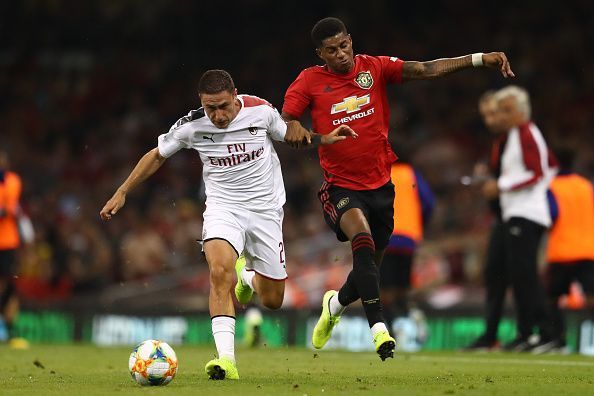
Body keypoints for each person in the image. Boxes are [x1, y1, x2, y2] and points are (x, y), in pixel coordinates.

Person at [281, 16, 514, 360]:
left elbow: (425, 70)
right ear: (320, 53)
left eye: (344, 45)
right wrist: (300, 131)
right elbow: (287, 123)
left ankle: (337, 304)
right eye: (332, 50)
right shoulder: (309, 81)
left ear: (350, 40)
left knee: (368, 270)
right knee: (361, 241)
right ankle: (379, 330)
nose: (341, 54)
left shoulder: (373, 68)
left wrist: (479, 59)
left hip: (381, 187)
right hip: (340, 187)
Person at [100, 69, 355, 380]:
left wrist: (324, 138)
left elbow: (290, 135)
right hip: (224, 208)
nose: (218, 115)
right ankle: (226, 360)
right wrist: (123, 191)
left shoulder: (260, 110)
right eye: (211, 108)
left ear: (235, 96)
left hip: (266, 211)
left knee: (273, 300)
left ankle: (246, 277)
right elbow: (157, 155)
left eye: (223, 106)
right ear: (201, 103)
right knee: (219, 272)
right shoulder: (191, 125)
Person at [481, 85, 557, 352]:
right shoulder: (515, 134)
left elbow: (538, 172)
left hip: (527, 213)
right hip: (517, 213)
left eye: (507, 109)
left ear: (522, 111)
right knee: (520, 276)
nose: (503, 115)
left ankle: (547, 333)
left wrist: (501, 185)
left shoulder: (526, 132)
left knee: (526, 276)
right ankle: (527, 334)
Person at [463, 91, 509, 351]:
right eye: (485, 116)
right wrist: (486, 173)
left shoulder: (516, 137)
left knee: (519, 277)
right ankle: (491, 335)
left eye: (493, 113)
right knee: (495, 274)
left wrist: (497, 183)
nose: (489, 120)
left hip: (518, 215)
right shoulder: (499, 141)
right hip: (502, 217)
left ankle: (537, 333)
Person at [542, 146, 594, 353]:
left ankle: (558, 340)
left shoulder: (551, 186)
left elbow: (551, 214)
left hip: (562, 251)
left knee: (553, 298)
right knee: (591, 297)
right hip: (587, 249)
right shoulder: (586, 185)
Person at [380, 157, 434, 331]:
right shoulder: (411, 174)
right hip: (408, 239)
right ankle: (406, 322)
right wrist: (419, 221)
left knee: (384, 289)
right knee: (403, 287)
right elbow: (428, 203)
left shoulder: (380, 173)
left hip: (385, 236)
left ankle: (389, 329)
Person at [0, 150, 28, 349]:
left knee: (9, 287)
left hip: (7, 243)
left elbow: (5, 211)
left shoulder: (12, 181)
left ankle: (9, 332)